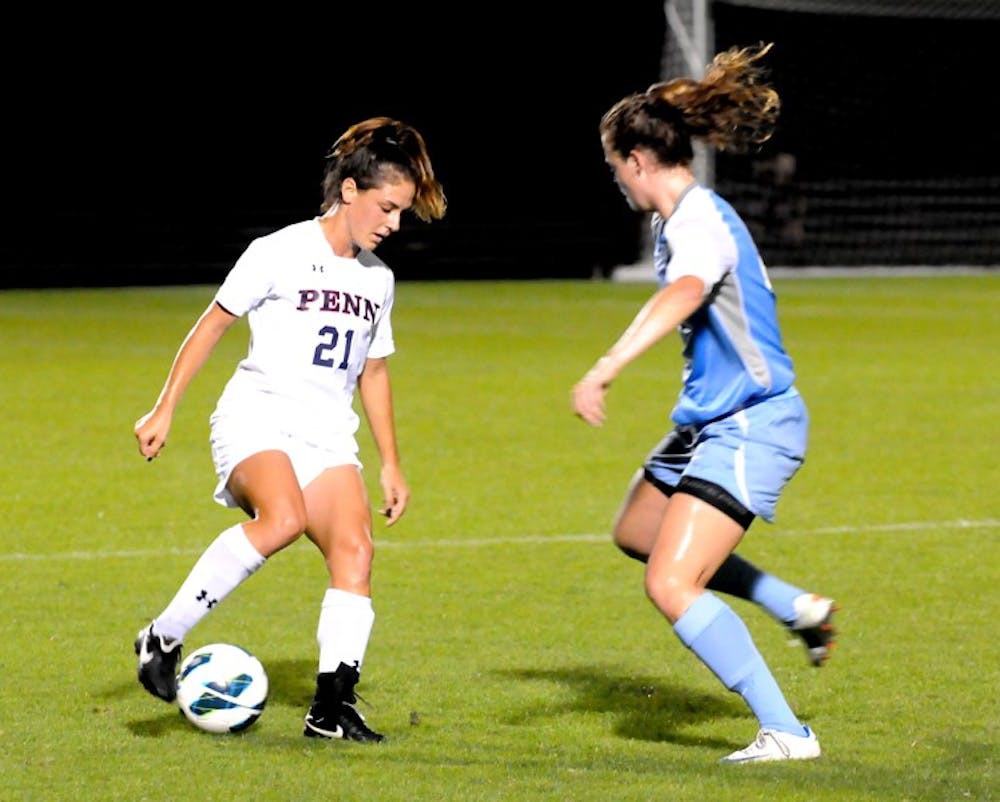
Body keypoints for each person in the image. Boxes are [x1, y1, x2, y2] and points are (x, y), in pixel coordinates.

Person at [133, 116, 447, 743]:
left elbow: (374, 372)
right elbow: (212, 325)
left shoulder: (377, 280)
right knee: (282, 520)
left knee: (355, 554)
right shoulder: (277, 251)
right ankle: (162, 638)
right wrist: (165, 406)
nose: (394, 223)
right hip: (258, 416)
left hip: (327, 435)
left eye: (402, 212)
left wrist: (390, 462)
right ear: (351, 190)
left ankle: (330, 710)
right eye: (387, 207)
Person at [572, 43, 834, 763]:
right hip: (712, 423)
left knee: (670, 580)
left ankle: (785, 731)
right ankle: (795, 607)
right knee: (638, 531)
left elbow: (684, 293)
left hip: (755, 423)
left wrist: (606, 366)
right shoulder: (671, 223)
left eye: (613, 165)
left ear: (635, 159)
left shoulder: (700, 222)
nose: (615, 178)